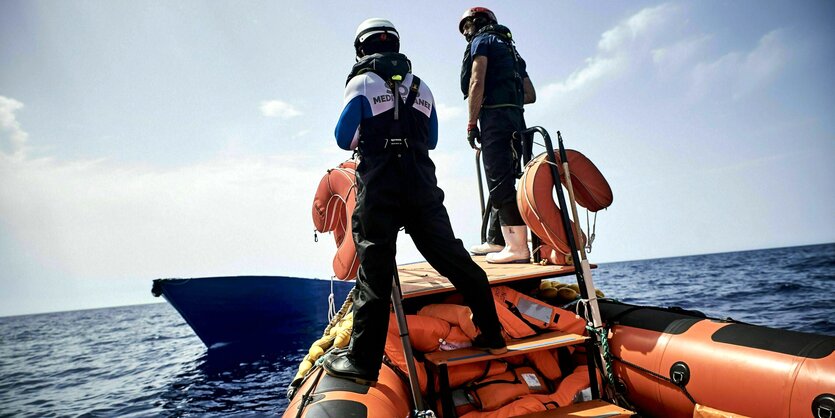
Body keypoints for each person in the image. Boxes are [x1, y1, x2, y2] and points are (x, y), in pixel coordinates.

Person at [323, 18, 507, 387]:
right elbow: (433, 138)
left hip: (380, 184)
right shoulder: (422, 87)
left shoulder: (360, 82)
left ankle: (361, 361)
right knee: (454, 260)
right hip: (421, 182)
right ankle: (493, 333)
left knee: (374, 273)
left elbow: (344, 138)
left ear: (362, 48)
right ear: (396, 44)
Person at [460, 7, 537, 264]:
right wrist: (508, 98)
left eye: (466, 28)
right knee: (503, 178)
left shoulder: (482, 41)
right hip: (517, 120)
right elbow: (530, 95)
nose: (466, 35)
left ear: (475, 23)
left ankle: (517, 248)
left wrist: (472, 123)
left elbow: (476, 82)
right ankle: (497, 239)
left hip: (494, 120)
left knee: (498, 179)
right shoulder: (512, 51)